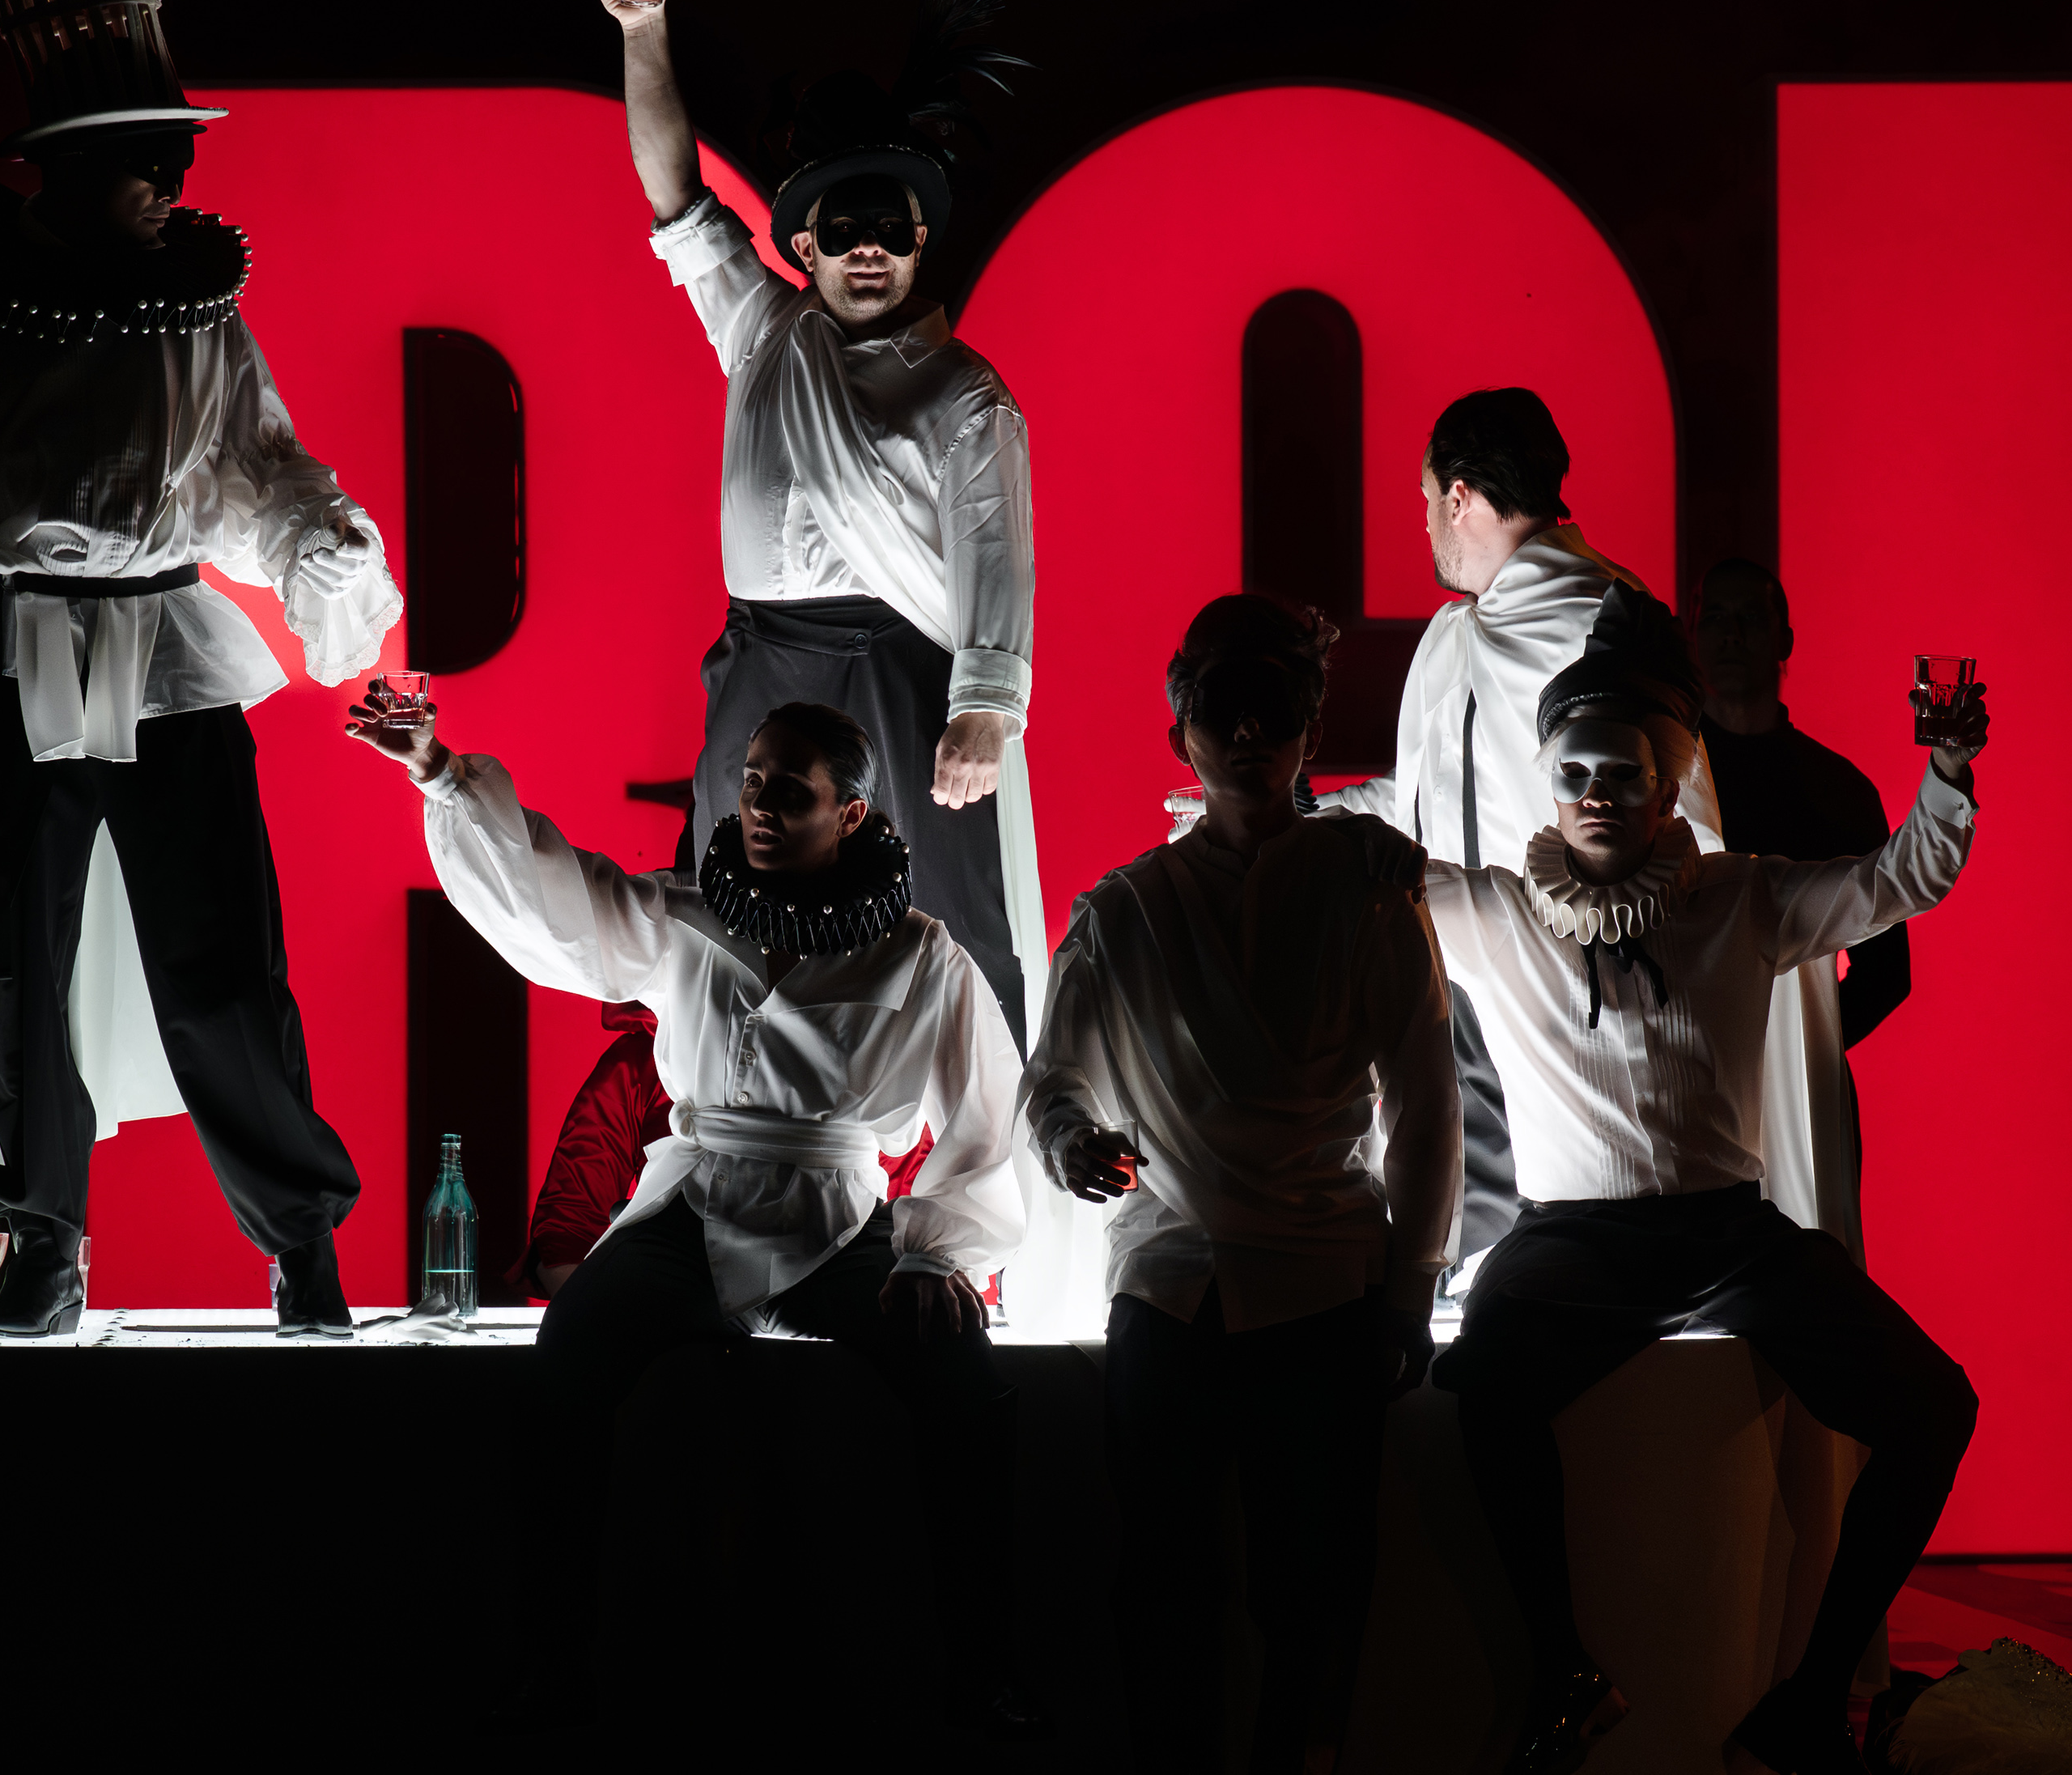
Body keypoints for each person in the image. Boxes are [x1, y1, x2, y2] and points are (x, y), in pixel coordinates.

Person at [0, 0, 397, 1339]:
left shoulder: (199, 321)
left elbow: (258, 471)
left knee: (222, 964)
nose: (173, 182)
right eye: (149, 159)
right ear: (70, 171)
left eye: (176, 160)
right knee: (18, 970)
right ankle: (42, 1239)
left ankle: (300, 1237)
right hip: (4, 654)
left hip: (165, 651)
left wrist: (321, 541)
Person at [351, 690, 1028, 1730]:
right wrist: (440, 771)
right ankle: (553, 1666)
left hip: (835, 1218)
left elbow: (986, 1106)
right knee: (563, 1369)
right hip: (691, 1205)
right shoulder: (683, 914)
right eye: (751, 781)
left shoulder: (919, 952)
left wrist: (937, 1252)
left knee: (966, 1388)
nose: (758, 803)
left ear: (848, 812)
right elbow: (556, 898)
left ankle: (986, 1677)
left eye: (789, 789)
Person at [1419, 586, 1984, 1775]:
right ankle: (1565, 1669)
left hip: (1731, 1239)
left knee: (1936, 1408)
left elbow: (1897, 881)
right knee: (1483, 1386)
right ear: (1547, 783)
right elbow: (1369, 878)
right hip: (1570, 1241)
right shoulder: (1498, 913)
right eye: (1573, 774)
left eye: (1620, 775)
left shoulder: (1740, 897)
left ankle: (1812, 1696)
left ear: (1667, 786)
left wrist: (1947, 770)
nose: (1594, 795)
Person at [1027, 595, 1460, 1773]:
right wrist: (1068, 1140)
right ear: (1182, 731)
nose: (1250, 734)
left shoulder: (1369, 888)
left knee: (1313, 1587)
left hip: (1323, 1280)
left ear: (1310, 729)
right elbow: (1053, 1079)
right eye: (1226, 709)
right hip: (1172, 1284)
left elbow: (1426, 1103)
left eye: (1275, 709)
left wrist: (1409, 1288)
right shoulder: (1121, 911)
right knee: (1159, 1581)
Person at [593, 0, 1047, 1052]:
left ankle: (992, 1149)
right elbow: (675, 194)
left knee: (949, 932)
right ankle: (735, 1118)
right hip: (761, 663)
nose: (866, 250)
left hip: (901, 675)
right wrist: (644, 28)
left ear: (920, 239)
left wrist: (983, 711)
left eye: (888, 228)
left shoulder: (964, 391)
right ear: (802, 242)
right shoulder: (763, 330)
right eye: (842, 231)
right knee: (733, 917)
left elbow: (995, 554)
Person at [1321, 389, 1718, 1297]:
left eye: (1428, 500)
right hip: (1452, 965)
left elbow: (1687, 816)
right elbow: (1423, 799)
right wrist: (1309, 812)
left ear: (1459, 496)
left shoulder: (1607, 621)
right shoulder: (1455, 633)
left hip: (1570, 979)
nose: (1427, 524)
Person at [1696, 558, 1909, 1259]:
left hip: (1802, 1082)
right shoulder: (1666, 786)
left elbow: (1888, 972)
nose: (1731, 636)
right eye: (1715, 619)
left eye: (1749, 620)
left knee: (1810, 1262)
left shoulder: (1837, 789)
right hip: (1686, 1080)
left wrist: (1798, 1042)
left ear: (1783, 639)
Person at [510, 1000, 938, 1297]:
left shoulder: (869, 1055)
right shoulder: (640, 1063)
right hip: (680, 1299)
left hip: (830, 1293)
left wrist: (931, 1263)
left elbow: (920, 1203)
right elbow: (566, 1231)